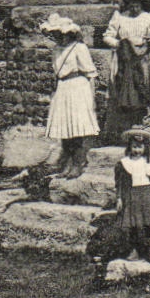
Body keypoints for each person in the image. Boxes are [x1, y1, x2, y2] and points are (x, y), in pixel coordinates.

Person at [41, 13, 98, 179]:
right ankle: (66, 163)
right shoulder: (56, 50)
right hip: (63, 88)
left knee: (77, 127)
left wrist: (92, 99)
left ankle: (78, 163)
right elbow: (57, 73)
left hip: (78, 87)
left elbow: (90, 73)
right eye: (55, 35)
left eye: (60, 34)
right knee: (65, 127)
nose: (57, 38)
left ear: (69, 33)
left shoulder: (79, 48)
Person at [102, 0, 150, 137]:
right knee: (124, 87)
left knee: (144, 86)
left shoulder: (149, 16)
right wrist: (121, 44)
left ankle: (143, 122)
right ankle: (124, 126)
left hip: (144, 58)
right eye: (132, 5)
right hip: (125, 58)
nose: (135, 8)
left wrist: (149, 41)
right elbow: (107, 36)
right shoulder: (120, 17)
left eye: (138, 5)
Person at [111, 128, 150, 263]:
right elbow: (119, 183)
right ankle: (134, 249)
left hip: (147, 195)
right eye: (134, 147)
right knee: (132, 225)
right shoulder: (124, 163)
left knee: (149, 224)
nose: (137, 150)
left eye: (140, 147)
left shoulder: (149, 161)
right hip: (132, 196)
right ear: (129, 147)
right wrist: (119, 198)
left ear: (145, 148)